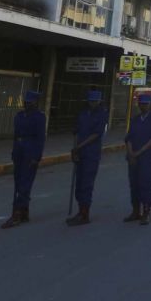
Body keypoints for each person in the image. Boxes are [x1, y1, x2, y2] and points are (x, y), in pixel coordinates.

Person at [1, 90, 46, 229]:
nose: (27, 104)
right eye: (26, 102)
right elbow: (16, 135)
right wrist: (14, 152)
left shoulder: (39, 117)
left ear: (35, 103)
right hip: (19, 151)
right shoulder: (19, 116)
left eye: (30, 102)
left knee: (24, 183)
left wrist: (36, 156)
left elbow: (40, 138)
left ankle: (17, 214)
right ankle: (24, 211)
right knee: (18, 181)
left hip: (31, 150)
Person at [67, 89, 109, 226]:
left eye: (95, 101)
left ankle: (84, 214)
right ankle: (80, 211)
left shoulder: (102, 114)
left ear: (99, 101)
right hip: (80, 152)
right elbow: (78, 129)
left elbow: (96, 134)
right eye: (91, 101)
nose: (93, 103)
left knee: (86, 183)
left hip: (91, 153)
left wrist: (79, 146)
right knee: (79, 183)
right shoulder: (83, 114)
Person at [124, 93, 151, 225]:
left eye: (146, 104)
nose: (143, 106)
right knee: (133, 184)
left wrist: (138, 152)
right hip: (133, 157)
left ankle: (146, 211)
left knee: (145, 183)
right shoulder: (135, 119)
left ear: (149, 104)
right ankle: (135, 211)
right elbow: (129, 138)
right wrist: (130, 153)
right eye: (141, 104)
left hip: (145, 156)